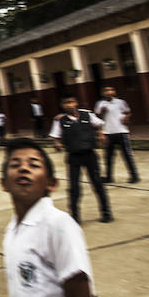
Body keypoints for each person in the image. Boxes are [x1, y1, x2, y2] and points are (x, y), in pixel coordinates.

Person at [0, 138, 97, 297]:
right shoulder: (12, 232)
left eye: (34, 165)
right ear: (3, 183)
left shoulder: (58, 224)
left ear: (51, 183)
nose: (23, 169)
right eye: (15, 164)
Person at [50, 95, 113, 223]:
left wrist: (101, 135)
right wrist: (57, 143)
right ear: (63, 105)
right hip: (73, 157)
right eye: (66, 103)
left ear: (76, 103)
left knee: (98, 184)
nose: (69, 105)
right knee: (74, 187)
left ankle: (106, 213)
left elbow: (100, 124)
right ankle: (75, 217)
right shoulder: (60, 120)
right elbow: (55, 135)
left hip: (90, 154)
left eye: (71, 102)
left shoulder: (87, 115)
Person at [94, 86, 139, 184]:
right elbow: (97, 117)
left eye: (111, 90)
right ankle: (109, 177)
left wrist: (126, 117)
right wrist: (100, 133)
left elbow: (128, 112)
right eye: (106, 90)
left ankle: (134, 176)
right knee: (108, 157)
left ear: (114, 92)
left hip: (121, 131)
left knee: (127, 155)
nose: (109, 92)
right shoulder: (100, 104)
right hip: (107, 133)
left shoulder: (120, 102)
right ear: (103, 93)